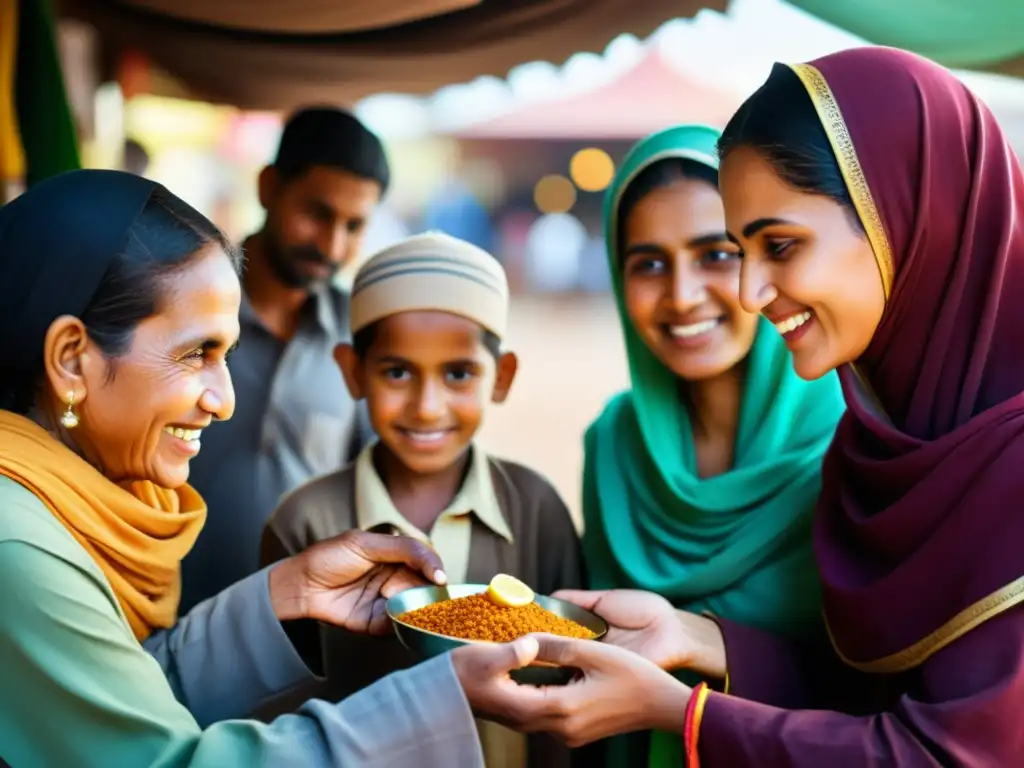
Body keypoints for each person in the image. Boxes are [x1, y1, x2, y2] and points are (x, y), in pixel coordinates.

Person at [465, 46, 1024, 766]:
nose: (750, 294)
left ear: (915, 217)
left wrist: (680, 712)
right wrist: (700, 639)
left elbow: (950, 752)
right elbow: (876, 696)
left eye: (779, 246)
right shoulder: (880, 442)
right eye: (742, 250)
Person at [0, 169, 551, 767]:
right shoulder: (17, 543)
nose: (225, 399)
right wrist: (437, 703)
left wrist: (286, 591)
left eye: (226, 354)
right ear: (71, 359)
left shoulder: (54, 505)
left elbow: (126, 704)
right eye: (196, 354)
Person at [261, 232, 584, 768]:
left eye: (459, 373)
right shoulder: (304, 524)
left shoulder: (535, 509)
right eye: (397, 372)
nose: (428, 406)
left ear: (500, 377)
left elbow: (568, 688)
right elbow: (280, 711)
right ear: (352, 371)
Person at [579, 124, 844, 766]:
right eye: (648, 263)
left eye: (716, 255)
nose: (681, 295)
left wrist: (705, 643)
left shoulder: (851, 443)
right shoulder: (615, 445)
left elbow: (889, 691)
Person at [182, 107, 386, 612]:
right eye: (317, 214)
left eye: (354, 225)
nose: (332, 245)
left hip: (299, 635)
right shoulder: (181, 310)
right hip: (161, 615)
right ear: (269, 186)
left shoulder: (361, 340)